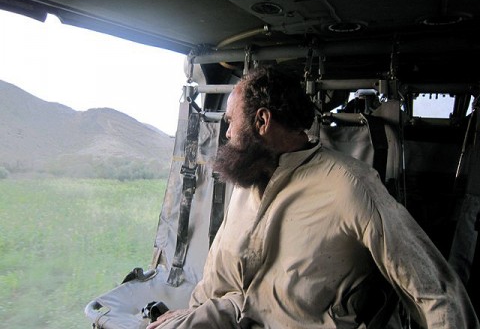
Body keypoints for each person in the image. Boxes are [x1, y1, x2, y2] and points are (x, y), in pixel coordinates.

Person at [147, 67, 479, 328]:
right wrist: (186, 317)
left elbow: (436, 290)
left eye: (232, 121)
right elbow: (220, 279)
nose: (228, 133)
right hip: (229, 314)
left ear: (262, 121)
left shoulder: (351, 186)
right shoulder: (246, 181)